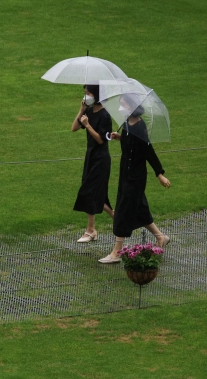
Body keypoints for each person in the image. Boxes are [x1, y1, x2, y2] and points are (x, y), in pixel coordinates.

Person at [98, 104, 171, 264]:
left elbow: (148, 151)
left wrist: (159, 174)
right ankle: (161, 237)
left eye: (124, 104)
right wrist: (120, 137)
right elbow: (131, 144)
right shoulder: (126, 124)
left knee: (123, 211)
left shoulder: (140, 128)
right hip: (125, 174)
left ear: (132, 107)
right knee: (139, 208)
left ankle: (116, 252)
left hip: (135, 177)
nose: (121, 107)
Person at [71, 85, 114, 243]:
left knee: (90, 192)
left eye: (88, 93)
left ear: (96, 95)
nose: (86, 96)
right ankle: (113, 218)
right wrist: (81, 110)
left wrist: (88, 125)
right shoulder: (89, 111)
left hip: (101, 159)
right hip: (90, 157)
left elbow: (101, 140)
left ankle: (91, 230)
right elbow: (74, 127)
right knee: (94, 192)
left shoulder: (105, 115)